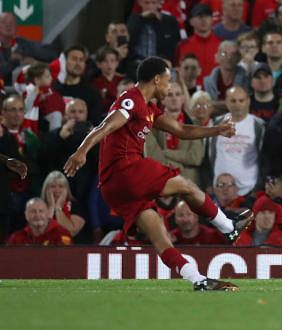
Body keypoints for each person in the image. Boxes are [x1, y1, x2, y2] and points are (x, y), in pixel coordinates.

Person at [63, 56, 251, 291]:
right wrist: (82, 151)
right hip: (126, 169)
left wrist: (217, 130)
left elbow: (181, 130)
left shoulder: (149, 107)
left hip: (113, 188)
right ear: (156, 79)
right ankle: (228, 227)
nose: (170, 86)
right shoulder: (132, 101)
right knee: (187, 186)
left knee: (158, 233)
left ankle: (198, 280)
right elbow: (107, 125)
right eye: (168, 80)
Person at [6, 197, 72, 245]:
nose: (37, 215)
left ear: (47, 213)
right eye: (32, 211)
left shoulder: (62, 233)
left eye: (41, 211)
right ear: (26, 215)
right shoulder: (16, 238)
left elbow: (65, 260)